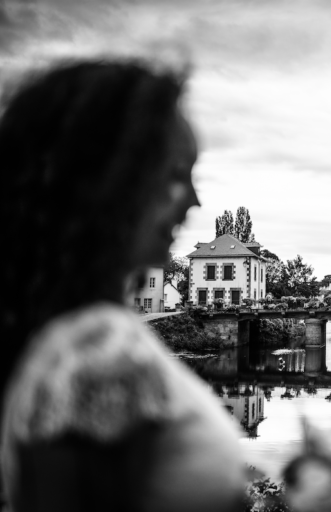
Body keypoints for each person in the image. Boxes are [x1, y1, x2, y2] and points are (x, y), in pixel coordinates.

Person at [0, 60, 245, 511]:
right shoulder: (99, 351)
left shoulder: (74, 335)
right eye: (175, 175)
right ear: (103, 182)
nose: (195, 200)